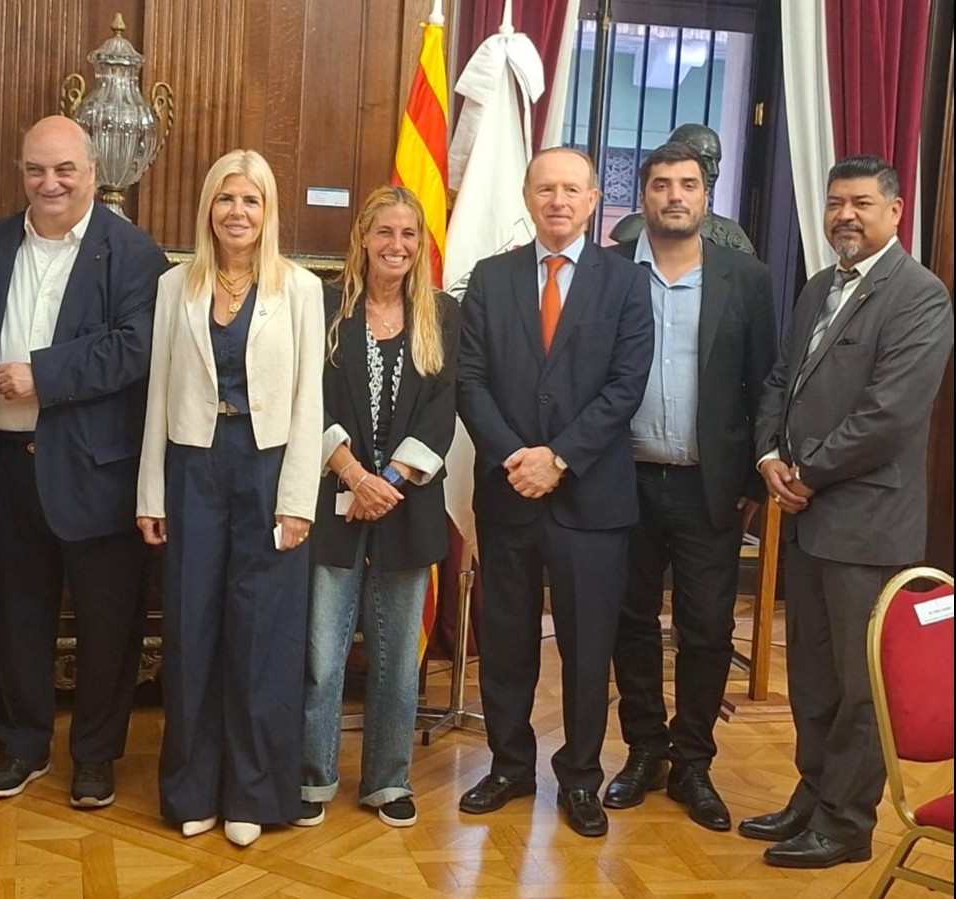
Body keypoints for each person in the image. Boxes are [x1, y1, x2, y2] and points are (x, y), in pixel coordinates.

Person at [742, 155, 953, 869]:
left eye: (860, 202)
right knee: (810, 673)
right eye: (835, 203)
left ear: (894, 210)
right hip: (804, 518)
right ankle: (811, 794)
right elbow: (781, 379)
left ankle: (846, 820)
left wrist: (807, 471)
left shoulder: (919, 296)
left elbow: (888, 415)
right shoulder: (816, 288)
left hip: (865, 527)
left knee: (862, 686)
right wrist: (768, 452)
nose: (844, 216)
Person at [0, 115, 169, 808]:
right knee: (14, 614)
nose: (48, 182)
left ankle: (94, 756)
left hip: (95, 468)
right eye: (35, 169)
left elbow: (134, 347)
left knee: (107, 622)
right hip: (2, 463)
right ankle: (19, 747)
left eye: (63, 170)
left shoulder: (133, 253)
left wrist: (42, 375)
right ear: (20, 171)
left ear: (91, 172)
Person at [455, 147, 653, 838]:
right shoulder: (489, 278)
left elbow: (625, 387)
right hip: (507, 492)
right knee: (506, 641)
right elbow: (469, 381)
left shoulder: (626, 284)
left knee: (585, 644)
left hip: (590, 499)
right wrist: (516, 456)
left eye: (571, 189)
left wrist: (559, 457)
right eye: (546, 188)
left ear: (595, 199)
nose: (558, 200)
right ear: (526, 195)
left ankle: (579, 778)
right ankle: (509, 766)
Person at [137, 150, 324, 847]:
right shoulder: (172, 287)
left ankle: (251, 791)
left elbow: (309, 401)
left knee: (261, 636)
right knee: (190, 631)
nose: (237, 213)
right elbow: (157, 392)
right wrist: (150, 490)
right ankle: (191, 787)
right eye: (225, 199)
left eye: (250, 200)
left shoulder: (300, 289)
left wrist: (299, 498)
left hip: (269, 467)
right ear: (207, 208)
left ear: (267, 211)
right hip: (193, 465)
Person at [603, 141, 776, 831]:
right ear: (640, 196)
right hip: (622, 482)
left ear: (705, 195)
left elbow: (765, 382)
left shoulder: (747, 278)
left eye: (686, 184)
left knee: (706, 629)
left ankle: (693, 761)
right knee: (630, 622)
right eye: (660, 184)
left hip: (711, 486)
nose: (673, 195)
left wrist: (755, 478)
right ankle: (643, 749)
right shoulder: (608, 272)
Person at [294, 185, 459, 830]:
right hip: (332, 498)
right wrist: (354, 475)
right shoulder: (326, 309)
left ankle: (387, 780)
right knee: (322, 654)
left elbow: (444, 409)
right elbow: (310, 401)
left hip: (407, 507)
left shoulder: (442, 315)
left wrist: (386, 480)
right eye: (385, 232)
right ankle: (314, 775)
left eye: (409, 235)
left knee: (396, 659)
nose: (397, 245)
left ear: (421, 245)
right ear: (362, 237)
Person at [609, 124, 754, 253]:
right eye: (705, 160)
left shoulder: (731, 233)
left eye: (716, 161)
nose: (714, 171)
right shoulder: (631, 228)